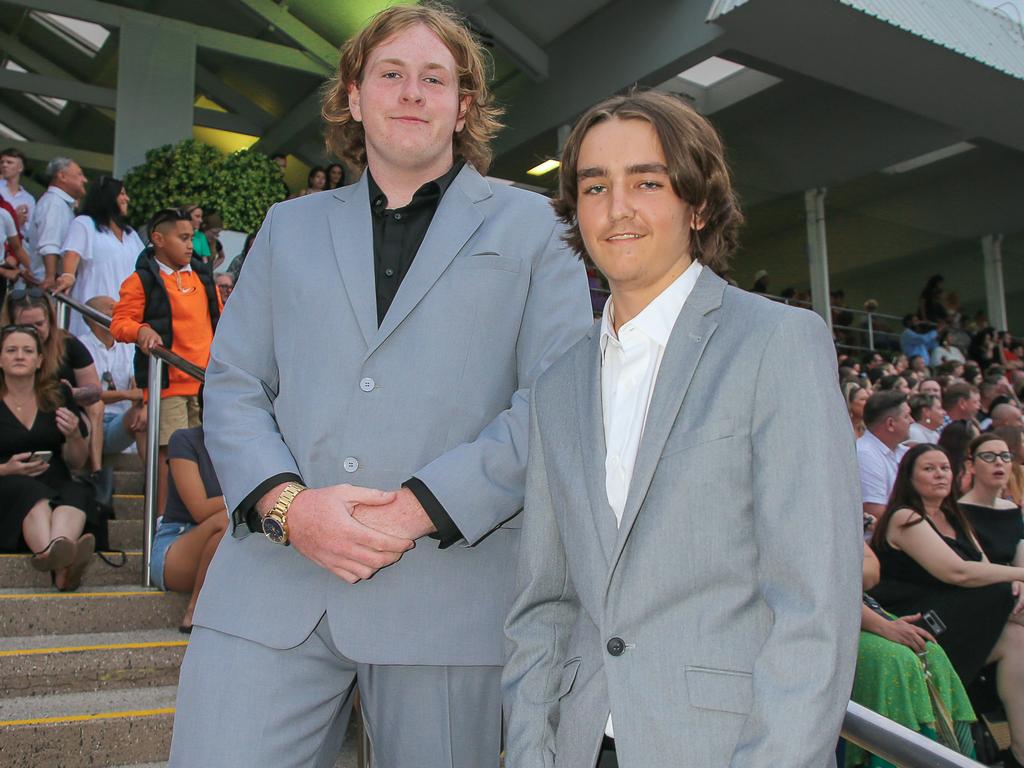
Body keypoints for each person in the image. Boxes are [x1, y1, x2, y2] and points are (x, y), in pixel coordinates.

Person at [170, 5, 592, 767]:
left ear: (465, 105)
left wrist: (417, 509)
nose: (411, 93)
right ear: (354, 96)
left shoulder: (539, 230)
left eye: (436, 78)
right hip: (271, 585)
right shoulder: (286, 227)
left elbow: (557, 399)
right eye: (390, 74)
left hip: (450, 598)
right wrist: (289, 509)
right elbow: (233, 385)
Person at [503, 90, 861, 768]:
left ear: (697, 203)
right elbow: (544, 602)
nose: (618, 208)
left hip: (725, 750)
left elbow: (815, 605)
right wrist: (529, 752)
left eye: (647, 181)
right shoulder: (556, 383)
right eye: (595, 185)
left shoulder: (777, 343)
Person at [870, 444, 1024, 768]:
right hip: (918, 623)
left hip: (959, 618)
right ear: (909, 478)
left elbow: (982, 566)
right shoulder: (905, 517)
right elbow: (958, 573)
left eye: (944, 468)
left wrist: (1017, 583)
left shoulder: (956, 516)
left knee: (1017, 641)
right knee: (1002, 594)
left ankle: (1019, 752)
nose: (940, 474)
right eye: (929, 469)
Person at [110, 208, 222, 525]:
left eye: (192, 238)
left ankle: (197, 518)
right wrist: (140, 330)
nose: (191, 245)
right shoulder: (142, 279)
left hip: (206, 383)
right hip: (168, 383)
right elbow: (119, 323)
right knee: (169, 454)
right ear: (158, 239)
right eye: (184, 237)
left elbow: (221, 319)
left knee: (206, 452)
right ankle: (163, 519)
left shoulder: (202, 275)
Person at [851, 544, 976, 768]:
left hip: (856, 602)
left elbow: (872, 569)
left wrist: (841, 573)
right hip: (819, 620)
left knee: (930, 652)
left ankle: (952, 756)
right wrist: (882, 626)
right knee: (895, 658)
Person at [0, 324, 94, 591]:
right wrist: (5, 469)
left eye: (28, 350)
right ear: (0, 358)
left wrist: (75, 434)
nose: (20, 356)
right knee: (31, 495)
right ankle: (62, 564)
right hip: (7, 482)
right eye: (11, 350)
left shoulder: (58, 395)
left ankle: (56, 561)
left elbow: (78, 462)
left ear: (39, 360)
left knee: (75, 493)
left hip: (54, 476)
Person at [151, 426, 227, 634]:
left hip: (221, 546)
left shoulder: (243, 446)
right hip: (175, 544)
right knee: (230, 519)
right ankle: (195, 609)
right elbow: (199, 509)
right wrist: (247, 496)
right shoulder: (185, 439)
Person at [57, 176, 145, 338]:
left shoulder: (130, 234)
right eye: (122, 194)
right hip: (93, 304)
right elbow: (72, 253)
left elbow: (144, 264)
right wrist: (68, 275)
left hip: (126, 311)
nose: (127, 198)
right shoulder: (84, 223)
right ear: (108, 196)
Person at [78, 295, 145, 505]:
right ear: (93, 317)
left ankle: (150, 477)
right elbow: (86, 395)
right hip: (87, 426)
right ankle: (97, 475)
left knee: (144, 415)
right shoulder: (81, 346)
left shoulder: (127, 346)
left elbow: (137, 386)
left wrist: (139, 397)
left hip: (118, 424)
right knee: (95, 405)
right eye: (110, 309)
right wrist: (126, 394)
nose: (117, 312)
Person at [1, 287, 101, 409]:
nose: (34, 331)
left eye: (39, 324)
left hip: (62, 412)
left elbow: (95, 390)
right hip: (13, 411)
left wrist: (71, 393)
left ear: (50, 321)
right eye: (25, 326)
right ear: (11, 324)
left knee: (96, 408)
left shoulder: (68, 343)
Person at [959, 434, 1023, 566]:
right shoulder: (959, 512)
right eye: (988, 456)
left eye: (1005, 457)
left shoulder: (1011, 509)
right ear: (971, 466)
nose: (999, 462)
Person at [26, 157, 87, 288]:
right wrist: (50, 278)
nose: (84, 180)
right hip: (50, 284)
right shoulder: (54, 203)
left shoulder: (60, 204)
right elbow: (50, 244)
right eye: (79, 174)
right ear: (62, 176)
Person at [857, 391, 912, 521]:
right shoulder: (865, 454)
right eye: (907, 416)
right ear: (890, 424)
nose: (912, 421)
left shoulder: (903, 451)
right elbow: (875, 511)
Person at [0, 148, 35, 228]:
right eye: (2, 162)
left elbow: (28, 229)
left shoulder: (29, 199)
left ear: (20, 168)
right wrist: (14, 219)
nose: (4, 165)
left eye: (9, 162)